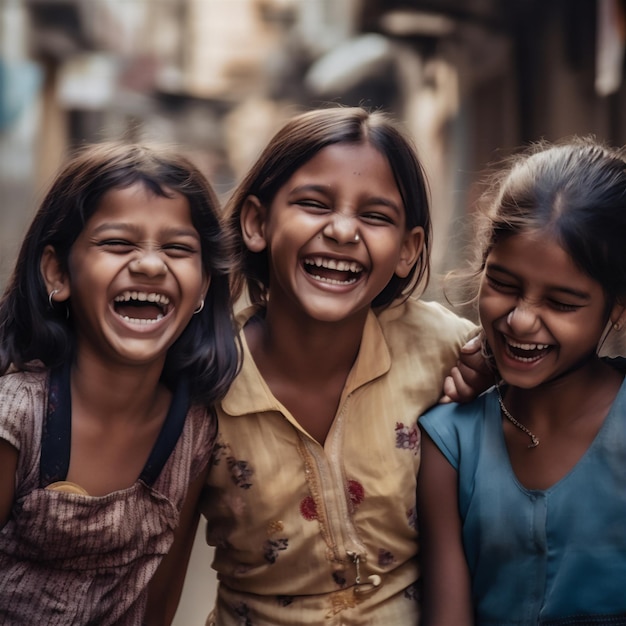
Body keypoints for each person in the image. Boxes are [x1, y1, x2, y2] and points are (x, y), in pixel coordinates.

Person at [199, 106, 481, 626]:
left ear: (407, 249)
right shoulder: (207, 374)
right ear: (258, 223)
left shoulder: (444, 347)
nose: (344, 230)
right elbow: (156, 563)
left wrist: (489, 381)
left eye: (375, 216)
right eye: (313, 203)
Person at [0, 141, 240, 625]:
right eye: (117, 244)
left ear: (203, 286)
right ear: (57, 272)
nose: (151, 265)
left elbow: (160, 601)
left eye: (177, 249)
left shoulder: (191, 431)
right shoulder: (15, 419)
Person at [417, 138, 626, 625]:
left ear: (616, 305)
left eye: (562, 303)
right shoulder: (450, 441)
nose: (521, 320)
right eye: (504, 284)